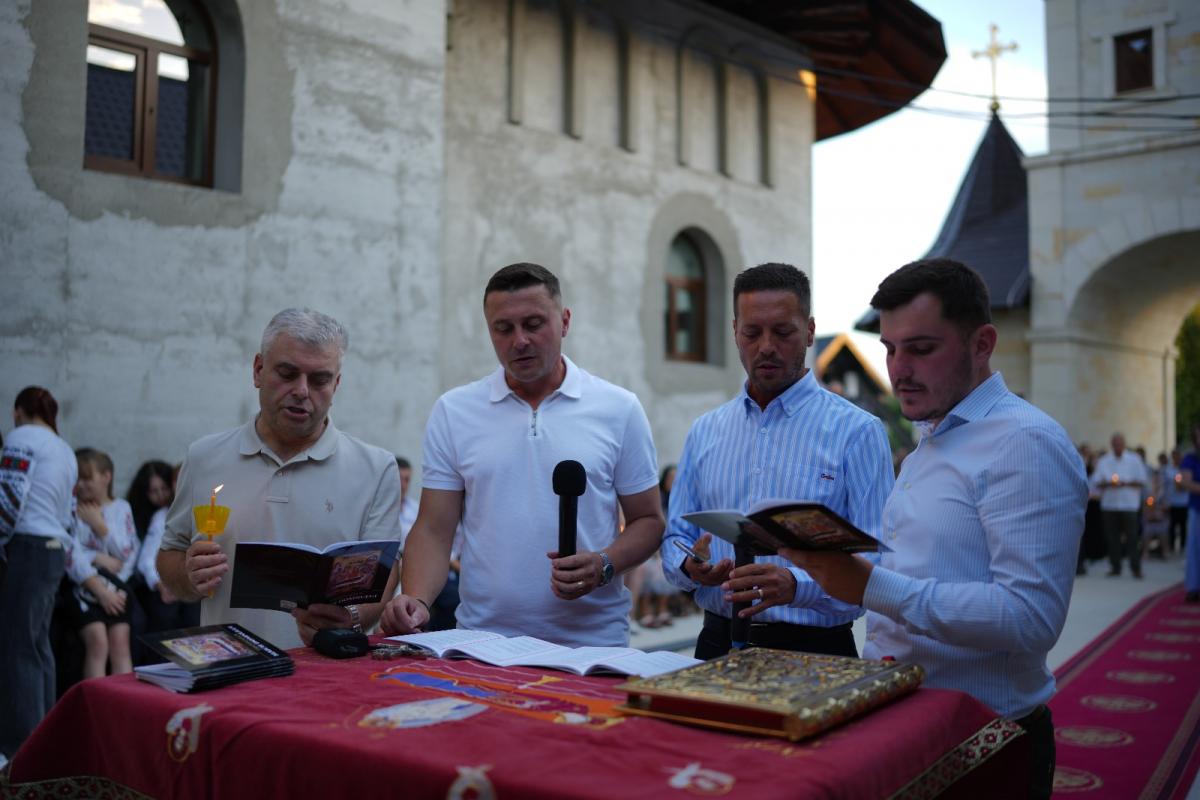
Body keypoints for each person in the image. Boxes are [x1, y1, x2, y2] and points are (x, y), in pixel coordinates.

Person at [781, 259, 1087, 800]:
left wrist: (873, 587)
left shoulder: (1024, 441)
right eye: (890, 349)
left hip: (985, 739)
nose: (898, 370)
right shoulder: (934, 437)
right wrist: (815, 571)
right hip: (910, 720)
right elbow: (914, 568)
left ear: (982, 344)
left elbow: (1030, 617)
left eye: (921, 349)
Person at [380, 263, 664, 647]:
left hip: (591, 644)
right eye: (503, 328)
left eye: (533, 324)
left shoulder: (618, 408)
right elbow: (434, 528)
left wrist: (605, 564)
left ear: (565, 322)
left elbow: (648, 520)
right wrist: (415, 599)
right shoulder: (455, 411)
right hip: (483, 643)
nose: (520, 341)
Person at [661, 262, 893, 659]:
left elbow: (879, 559)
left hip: (816, 652)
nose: (766, 346)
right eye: (752, 333)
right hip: (715, 643)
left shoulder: (857, 432)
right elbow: (676, 537)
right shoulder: (705, 431)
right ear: (735, 331)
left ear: (810, 331)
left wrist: (798, 585)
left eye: (783, 332)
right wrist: (690, 565)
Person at [157, 308, 402, 649]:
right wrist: (188, 574)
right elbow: (170, 554)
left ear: (336, 384)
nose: (301, 391)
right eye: (287, 374)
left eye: (319, 380)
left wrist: (351, 619)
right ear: (258, 370)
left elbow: (385, 575)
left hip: (327, 670)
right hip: (230, 668)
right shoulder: (204, 457)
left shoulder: (375, 468)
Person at [0, 387, 77, 761]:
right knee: (38, 646)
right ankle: (44, 739)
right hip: (54, 549)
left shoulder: (21, 438)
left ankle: (21, 749)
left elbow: (9, 497)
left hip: (28, 547)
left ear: (18, 411)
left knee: (18, 648)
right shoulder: (64, 449)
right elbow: (69, 514)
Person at [65, 448, 139, 679]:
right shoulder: (72, 509)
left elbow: (125, 553)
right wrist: (96, 558)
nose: (81, 485)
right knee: (97, 642)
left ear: (106, 477)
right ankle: (95, 698)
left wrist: (99, 525)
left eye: (87, 478)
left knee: (120, 644)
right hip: (83, 589)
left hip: (117, 588)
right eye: (78, 479)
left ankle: (122, 698)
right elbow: (70, 551)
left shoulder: (121, 508)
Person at [131, 462, 199, 660]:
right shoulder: (163, 516)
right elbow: (146, 559)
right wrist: (159, 583)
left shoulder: (204, 512)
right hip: (167, 582)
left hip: (195, 585)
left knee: (196, 618)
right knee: (165, 615)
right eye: (178, 480)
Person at [1091, 433, 1148, 578]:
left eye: (1119, 444)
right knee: (1112, 538)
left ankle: (1135, 567)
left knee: (1132, 537)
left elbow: (1142, 480)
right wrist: (1110, 483)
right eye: (1115, 444)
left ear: (1124, 444)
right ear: (1112, 445)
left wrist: (1125, 483)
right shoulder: (1104, 461)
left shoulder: (1134, 460)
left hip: (1129, 505)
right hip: (1110, 505)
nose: (1117, 447)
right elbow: (1097, 481)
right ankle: (1115, 566)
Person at [1181, 425, 1200, 602]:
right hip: (1196, 508)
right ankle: (1194, 587)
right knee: (1194, 548)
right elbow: (1186, 482)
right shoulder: (1190, 458)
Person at [1167, 448, 1189, 555]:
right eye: (1174, 456)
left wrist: (1182, 485)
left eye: (1178, 456)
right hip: (1172, 502)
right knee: (1172, 525)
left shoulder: (1185, 469)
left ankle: (1183, 546)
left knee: (1183, 525)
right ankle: (1171, 546)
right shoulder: (1169, 469)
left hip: (1184, 502)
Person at [396, 456, 418, 547]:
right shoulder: (378, 508)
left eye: (406, 480)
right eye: (399, 478)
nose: (403, 485)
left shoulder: (416, 508)